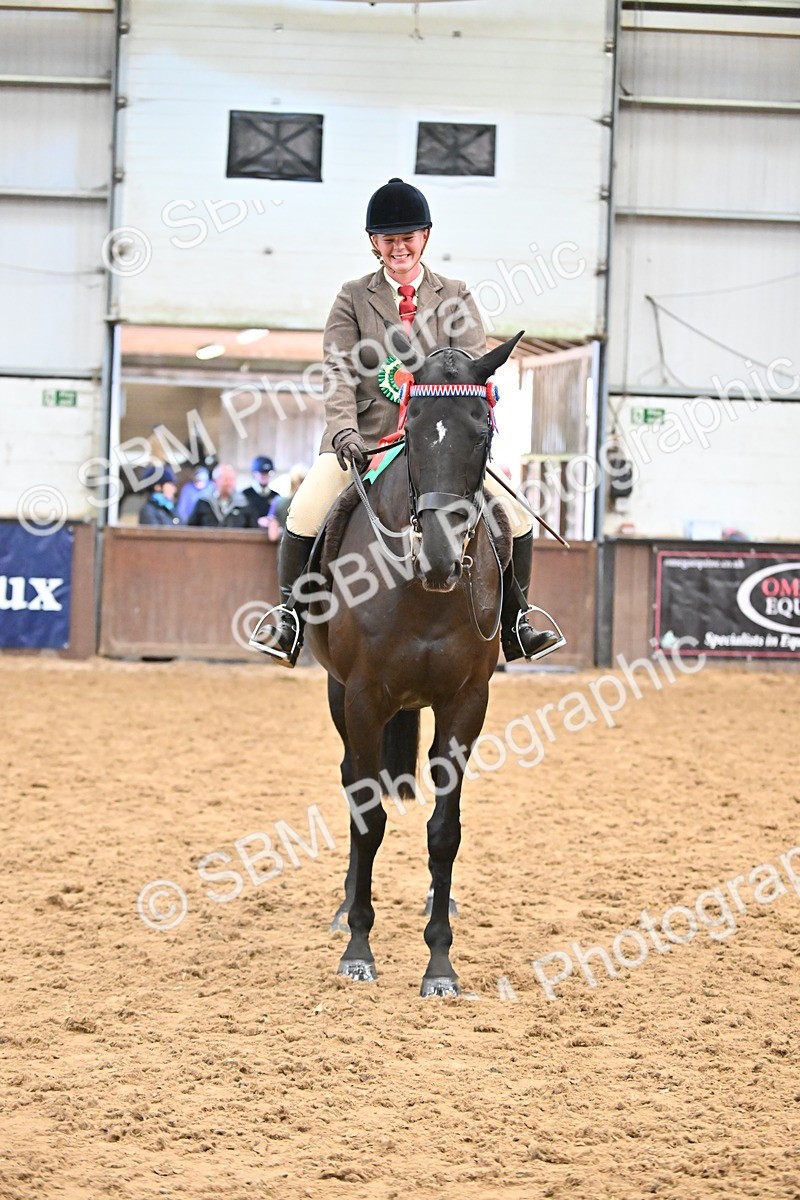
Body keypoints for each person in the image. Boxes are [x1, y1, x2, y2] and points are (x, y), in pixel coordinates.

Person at [252, 177, 560, 666]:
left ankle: (516, 623)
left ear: (426, 237)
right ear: (374, 243)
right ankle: (289, 617)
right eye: (389, 239)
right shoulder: (353, 297)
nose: (399, 247)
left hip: (438, 446)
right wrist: (343, 430)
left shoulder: (455, 294)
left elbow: (470, 365)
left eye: (408, 237)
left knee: (517, 520)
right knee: (304, 513)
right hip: (366, 442)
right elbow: (337, 369)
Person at [188, 464, 257, 528]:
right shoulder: (203, 502)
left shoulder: (243, 503)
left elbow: (253, 529)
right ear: (215, 480)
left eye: (232, 479)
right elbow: (190, 528)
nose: (229, 483)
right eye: (226, 480)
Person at [267, 465, 308, 542]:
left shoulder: (278, 502)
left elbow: (273, 536)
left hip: (285, 548)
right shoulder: (313, 506)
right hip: (307, 551)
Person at [243, 455, 278, 526]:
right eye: (261, 473)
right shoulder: (245, 495)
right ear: (254, 473)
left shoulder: (275, 496)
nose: (264, 476)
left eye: (267, 473)